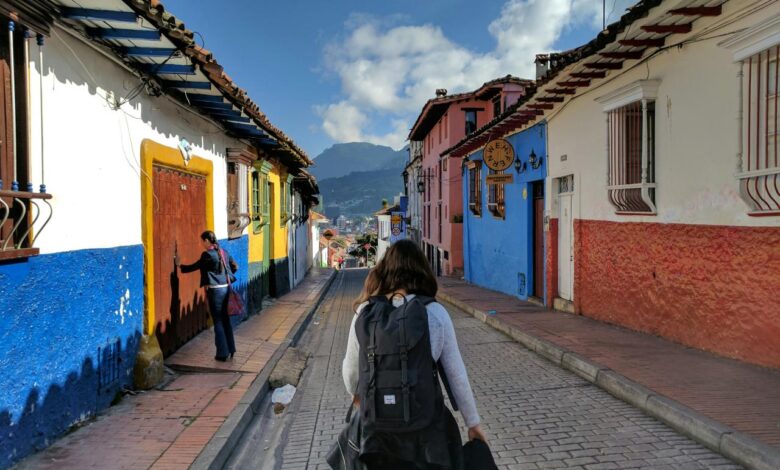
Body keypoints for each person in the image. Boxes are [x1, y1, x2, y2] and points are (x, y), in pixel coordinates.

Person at [342, 239, 486, 469]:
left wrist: (356, 395)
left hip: (377, 434)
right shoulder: (435, 313)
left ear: (385, 270)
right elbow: (456, 376)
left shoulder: (365, 312)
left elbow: (350, 373)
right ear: (422, 270)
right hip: (427, 433)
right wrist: (473, 423)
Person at [178, 230, 238, 362]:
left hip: (215, 291)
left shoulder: (207, 255)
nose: (202, 244)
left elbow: (196, 266)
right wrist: (223, 276)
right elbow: (234, 267)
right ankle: (231, 349)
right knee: (225, 319)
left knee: (217, 321)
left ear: (206, 240)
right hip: (226, 288)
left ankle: (222, 353)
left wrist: (180, 266)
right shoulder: (223, 252)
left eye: (202, 241)